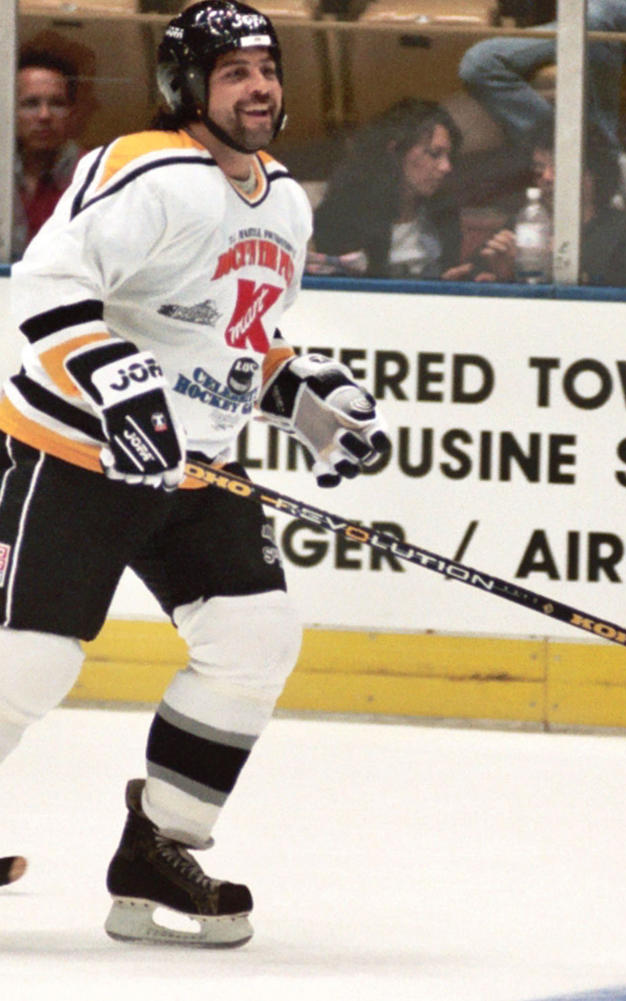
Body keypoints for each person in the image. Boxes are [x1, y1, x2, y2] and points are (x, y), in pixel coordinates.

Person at [0, 0, 390, 947]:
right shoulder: (148, 171)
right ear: (187, 89)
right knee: (30, 661)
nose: (260, 86)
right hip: (75, 453)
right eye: (234, 72)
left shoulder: (285, 199)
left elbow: (229, 343)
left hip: (194, 470)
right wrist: (118, 388)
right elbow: (47, 288)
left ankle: (159, 845)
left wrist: (306, 400)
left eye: (267, 67)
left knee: (255, 637)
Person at [458, 0, 626, 158]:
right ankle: (564, 154)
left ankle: (605, 160)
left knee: (597, 12)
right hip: (584, 17)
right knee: (480, 63)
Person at [468, 121, 626, 286]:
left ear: (593, 174)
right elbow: (476, 272)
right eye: (539, 168)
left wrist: (552, 265)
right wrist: (494, 275)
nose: (547, 177)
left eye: (559, 166)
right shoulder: (522, 225)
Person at [310, 98, 471, 280]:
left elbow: (448, 273)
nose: (446, 167)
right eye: (434, 154)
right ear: (395, 151)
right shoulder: (342, 215)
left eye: (448, 156)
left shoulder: (443, 213)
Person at [12, 48, 85, 259]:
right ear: (10, 109)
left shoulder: (92, 174)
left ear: (71, 112)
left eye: (56, 103)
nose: (44, 115)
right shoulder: (3, 172)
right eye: (31, 104)